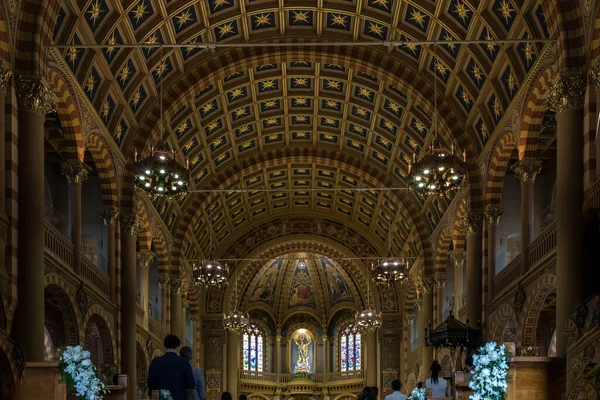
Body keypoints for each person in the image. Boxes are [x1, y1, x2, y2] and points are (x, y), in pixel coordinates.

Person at [147, 334, 195, 400]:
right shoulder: (184, 363)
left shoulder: (155, 362)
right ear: (178, 347)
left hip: (163, 397)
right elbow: (191, 384)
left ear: (164, 346)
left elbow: (150, 384)